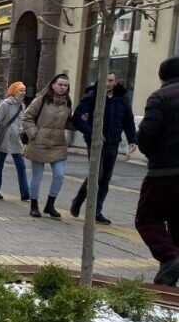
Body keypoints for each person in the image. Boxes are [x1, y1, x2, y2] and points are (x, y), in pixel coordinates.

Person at [68, 72, 137, 225]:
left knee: (105, 178)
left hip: (113, 142)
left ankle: (96, 212)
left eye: (111, 80)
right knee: (96, 175)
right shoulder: (92, 96)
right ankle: (79, 200)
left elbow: (128, 120)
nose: (107, 83)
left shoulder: (122, 98)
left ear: (116, 82)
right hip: (95, 143)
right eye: (105, 80)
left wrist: (132, 140)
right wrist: (93, 133)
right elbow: (77, 119)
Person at [136, 57, 179, 285]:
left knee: (147, 218)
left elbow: (147, 136)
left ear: (162, 76)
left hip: (164, 171)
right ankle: (170, 272)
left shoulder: (160, 97)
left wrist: (151, 152)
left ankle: (170, 258)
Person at [22, 73, 74, 219]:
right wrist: (34, 134)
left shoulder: (67, 102)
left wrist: (80, 122)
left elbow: (67, 122)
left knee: (59, 175)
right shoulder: (41, 99)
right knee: (37, 176)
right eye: (60, 84)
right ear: (53, 85)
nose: (63, 87)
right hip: (39, 142)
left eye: (66, 85)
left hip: (58, 144)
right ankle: (34, 206)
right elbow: (27, 117)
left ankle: (50, 205)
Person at [0, 82, 30, 201]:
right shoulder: (5, 104)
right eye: (21, 90)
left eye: (24, 90)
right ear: (14, 92)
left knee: (21, 166)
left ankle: (25, 193)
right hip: (4, 138)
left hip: (16, 140)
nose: (23, 93)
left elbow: (22, 123)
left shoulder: (22, 105)